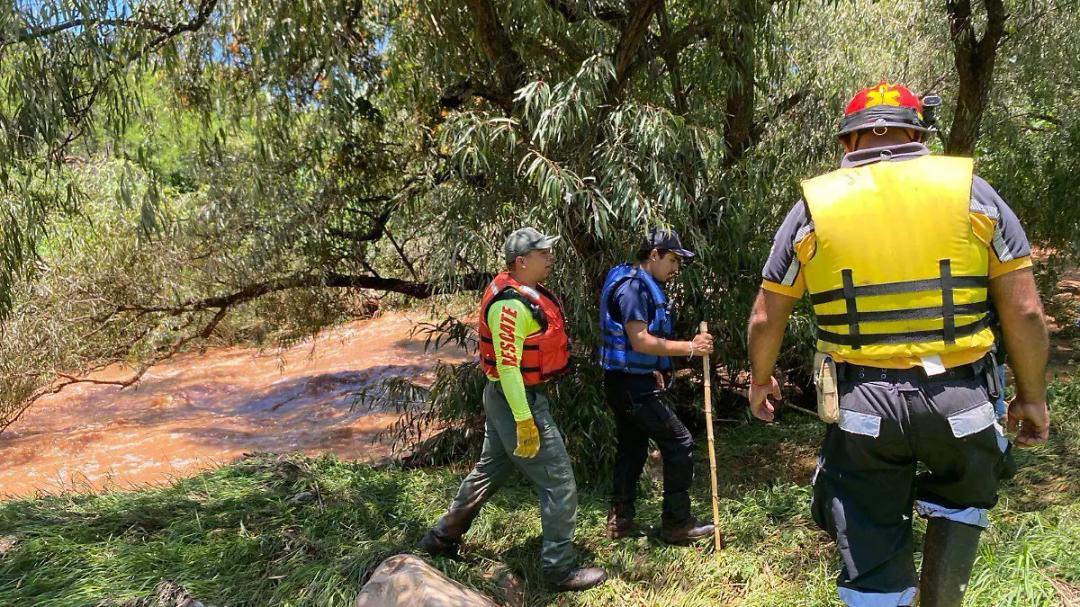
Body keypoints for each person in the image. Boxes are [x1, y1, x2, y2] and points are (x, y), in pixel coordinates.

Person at [745, 82, 1050, 606]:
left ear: (848, 141)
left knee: (866, 528)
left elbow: (764, 317)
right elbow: (1024, 312)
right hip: (962, 401)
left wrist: (759, 381)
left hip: (863, 408)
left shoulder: (813, 207)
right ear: (918, 134)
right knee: (963, 499)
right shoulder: (973, 193)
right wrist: (1032, 396)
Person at [418, 227, 607, 592]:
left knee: (490, 470)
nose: (551, 257)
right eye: (543, 253)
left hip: (509, 398)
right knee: (558, 481)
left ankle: (440, 538)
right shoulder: (510, 306)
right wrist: (525, 420)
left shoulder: (524, 292)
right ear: (521, 261)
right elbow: (508, 368)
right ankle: (559, 569)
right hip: (515, 400)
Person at [599, 228, 718, 545]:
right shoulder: (634, 289)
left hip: (625, 380)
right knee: (679, 442)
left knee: (632, 447)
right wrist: (691, 347)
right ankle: (676, 523)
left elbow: (637, 345)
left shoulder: (635, 282)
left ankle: (621, 520)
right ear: (654, 255)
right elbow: (640, 340)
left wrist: (653, 368)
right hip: (630, 385)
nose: (676, 268)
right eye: (672, 260)